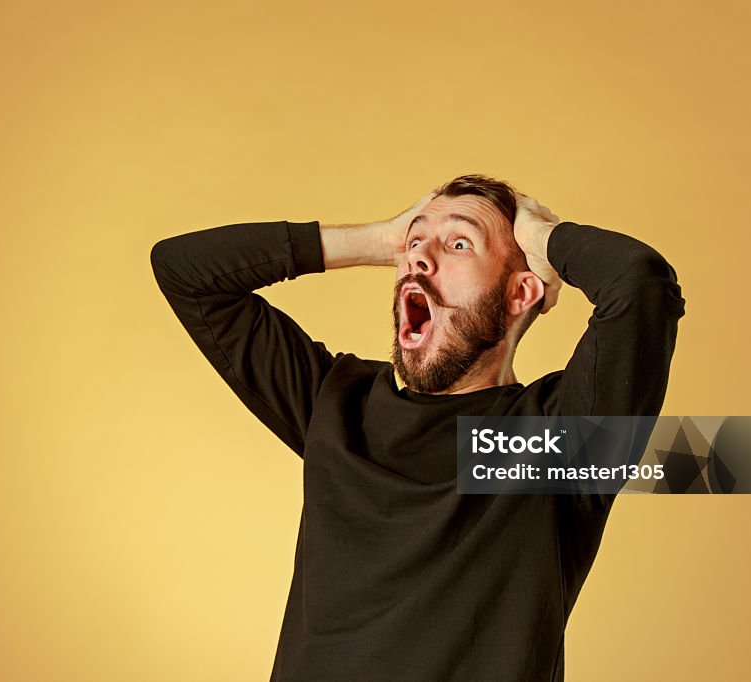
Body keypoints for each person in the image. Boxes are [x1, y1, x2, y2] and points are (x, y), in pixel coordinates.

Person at [150, 174, 685, 681]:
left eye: (459, 245)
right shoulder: (337, 404)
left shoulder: (551, 444)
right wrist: (381, 239)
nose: (419, 260)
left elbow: (640, 284)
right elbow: (185, 269)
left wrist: (539, 236)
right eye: (415, 243)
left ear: (520, 294)